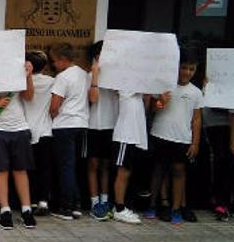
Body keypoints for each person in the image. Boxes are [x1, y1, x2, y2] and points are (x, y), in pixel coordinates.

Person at [147, 54, 203, 225]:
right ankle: (152, 205)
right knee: (158, 170)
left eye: (191, 69)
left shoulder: (196, 92)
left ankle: (176, 209)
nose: (187, 72)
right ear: (177, 67)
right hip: (160, 134)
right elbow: (152, 109)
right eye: (184, 68)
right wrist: (159, 104)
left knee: (179, 171)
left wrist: (195, 142)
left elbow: (197, 119)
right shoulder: (165, 86)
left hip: (182, 138)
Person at [0, 61, 37, 229]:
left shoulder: (17, 70)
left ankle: (26, 209)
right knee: (1, 170)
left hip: (19, 126)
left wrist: (27, 76)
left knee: (21, 169)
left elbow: (28, 96)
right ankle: (5, 210)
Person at [48, 43, 90, 220]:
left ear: (63, 59)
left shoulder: (62, 77)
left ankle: (65, 207)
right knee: (74, 166)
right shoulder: (84, 74)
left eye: (54, 61)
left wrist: (52, 115)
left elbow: (54, 106)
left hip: (64, 124)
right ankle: (76, 205)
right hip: (82, 124)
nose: (53, 65)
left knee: (65, 167)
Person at [84, 42, 118, 220]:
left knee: (106, 165)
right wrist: (95, 75)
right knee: (93, 165)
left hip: (111, 125)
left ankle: (105, 201)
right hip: (93, 125)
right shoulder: (90, 76)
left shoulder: (117, 78)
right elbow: (93, 99)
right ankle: (94, 202)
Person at [109, 91, 150, 224]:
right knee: (123, 172)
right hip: (124, 135)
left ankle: (121, 206)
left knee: (127, 172)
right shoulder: (123, 87)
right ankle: (119, 209)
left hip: (135, 135)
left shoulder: (139, 92)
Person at [22, 51, 54, 216]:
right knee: (45, 168)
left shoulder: (22, 82)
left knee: (29, 169)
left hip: (26, 129)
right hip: (45, 130)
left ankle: (31, 200)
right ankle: (44, 200)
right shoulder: (52, 82)